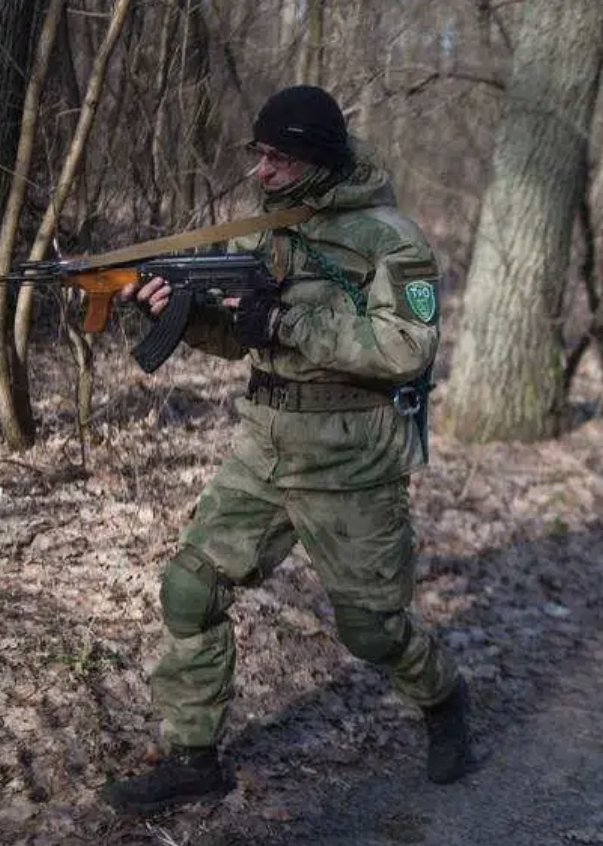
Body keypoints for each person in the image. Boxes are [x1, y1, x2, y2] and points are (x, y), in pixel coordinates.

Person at [101, 85, 472, 815]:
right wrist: (170, 309)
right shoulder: (263, 230)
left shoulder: (389, 238)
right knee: (190, 590)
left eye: (279, 158)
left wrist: (290, 326)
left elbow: (408, 346)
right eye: (259, 155)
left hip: (352, 460)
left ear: (321, 161)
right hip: (264, 449)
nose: (262, 172)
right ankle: (194, 757)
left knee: (372, 631)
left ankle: (445, 699)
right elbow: (235, 335)